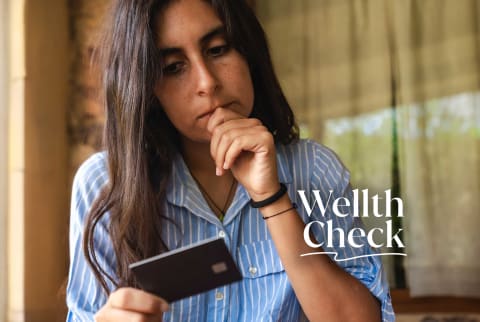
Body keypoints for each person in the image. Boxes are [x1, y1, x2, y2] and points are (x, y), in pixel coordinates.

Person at [66, 0, 395, 321]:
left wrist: (272, 198)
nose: (207, 82)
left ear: (248, 52)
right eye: (174, 68)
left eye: (218, 49)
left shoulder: (314, 168)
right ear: (148, 91)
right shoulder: (104, 185)